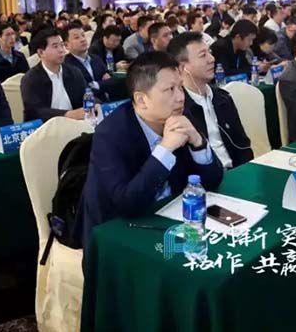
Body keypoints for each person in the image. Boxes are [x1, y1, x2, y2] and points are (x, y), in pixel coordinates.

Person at [77, 51, 224, 252]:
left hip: (170, 218)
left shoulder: (180, 115)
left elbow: (213, 180)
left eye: (180, 87)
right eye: (170, 89)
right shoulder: (109, 135)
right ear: (141, 100)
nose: (180, 97)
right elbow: (127, 204)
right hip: (117, 235)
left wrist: (198, 142)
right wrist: (165, 149)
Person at [170, 32, 252, 169]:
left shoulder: (222, 98)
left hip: (235, 170)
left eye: (210, 52)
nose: (212, 59)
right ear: (182, 67)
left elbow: (242, 144)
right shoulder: (178, 107)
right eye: (203, 55)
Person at [20, 28, 88, 122]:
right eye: (55, 46)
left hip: (76, 124)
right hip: (46, 127)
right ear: (41, 52)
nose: (61, 50)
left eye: (62, 45)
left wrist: (95, 103)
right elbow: (35, 111)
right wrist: (66, 114)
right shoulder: (30, 79)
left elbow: (86, 95)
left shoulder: (74, 72)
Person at [62, 24, 115, 101]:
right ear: (66, 45)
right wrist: (102, 84)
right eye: (76, 37)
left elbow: (111, 81)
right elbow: (82, 91)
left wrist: (95, 84)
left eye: (83, 35)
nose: (83, 39)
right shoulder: (66, 65)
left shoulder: (96, 58)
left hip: (107, 101)